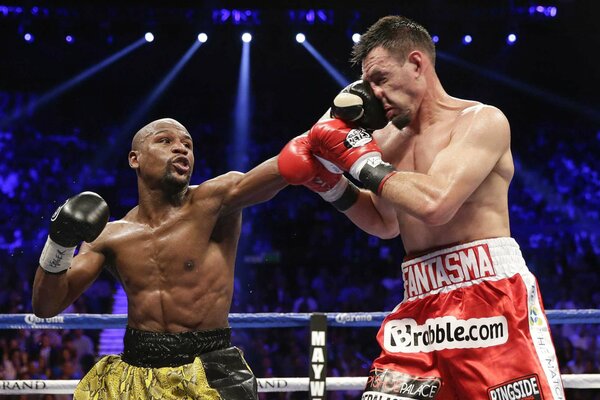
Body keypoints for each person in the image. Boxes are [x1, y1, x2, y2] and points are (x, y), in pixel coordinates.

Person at [278, 15, 565, 400]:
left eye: (379, 79)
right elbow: (384, 222)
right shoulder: (385, 142)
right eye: (366, 84)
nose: (372, 94)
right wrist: (328, 184)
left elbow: (436, 202)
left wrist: (360, 161)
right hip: (418, 307)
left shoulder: (480, 121)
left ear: (416, 63)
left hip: (491, 301)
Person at [32, 117, 288, 399]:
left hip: (209, 368)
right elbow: (47, 306)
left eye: (187, 144)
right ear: (135, 159)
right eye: (165, 141)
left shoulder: (215, 201)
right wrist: (59, 243)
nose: (181, 149)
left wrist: (331, 121)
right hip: (136, 373)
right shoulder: (108, 236)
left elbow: (283, 169)